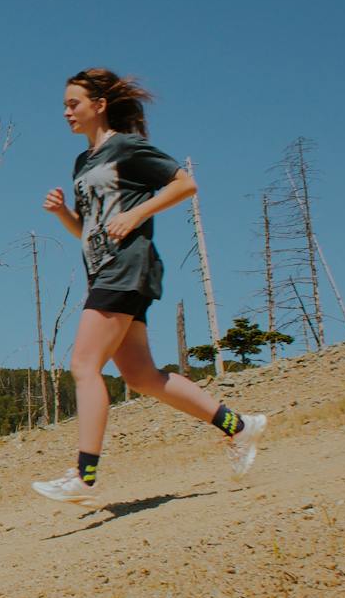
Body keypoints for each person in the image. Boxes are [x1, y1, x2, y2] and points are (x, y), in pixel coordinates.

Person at [31, 68, 265, 507]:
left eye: (73, 103)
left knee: (84, 365)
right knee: (140, 376)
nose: (66, 112)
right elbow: (92, 229)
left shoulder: (127, 147)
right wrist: (64, 214)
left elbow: (185, 183)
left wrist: (138, 216)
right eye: (64, 105)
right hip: (104, 269)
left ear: (99, 105)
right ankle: (238, 426)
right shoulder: (83, 162)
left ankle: (84, 475)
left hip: (128, 266)